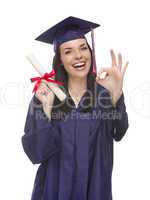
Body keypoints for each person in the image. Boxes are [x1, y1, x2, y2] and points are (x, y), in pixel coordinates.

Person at [22, 16, 129, 200]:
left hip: (95, 190)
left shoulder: (103, 94)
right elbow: (37, 153)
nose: (78, 55)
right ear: (60, 60)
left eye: (83, 48)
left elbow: (119, 132)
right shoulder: (46, 96)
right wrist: (46, 111)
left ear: (90, 52)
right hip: (53, 191)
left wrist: (116, 96)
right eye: (68, 51)